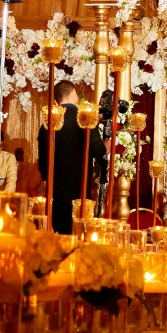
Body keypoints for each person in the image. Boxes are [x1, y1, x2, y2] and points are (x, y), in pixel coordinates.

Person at [37, 81, 110, 234]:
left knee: (60, 238)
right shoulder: (84, 118)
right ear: (74, 93)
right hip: (80, 191)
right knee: (79, 238)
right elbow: (99, 151)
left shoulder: (47, 122)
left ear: (56, 101)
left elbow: (43, 162)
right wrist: (113, 142)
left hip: (55, 192)